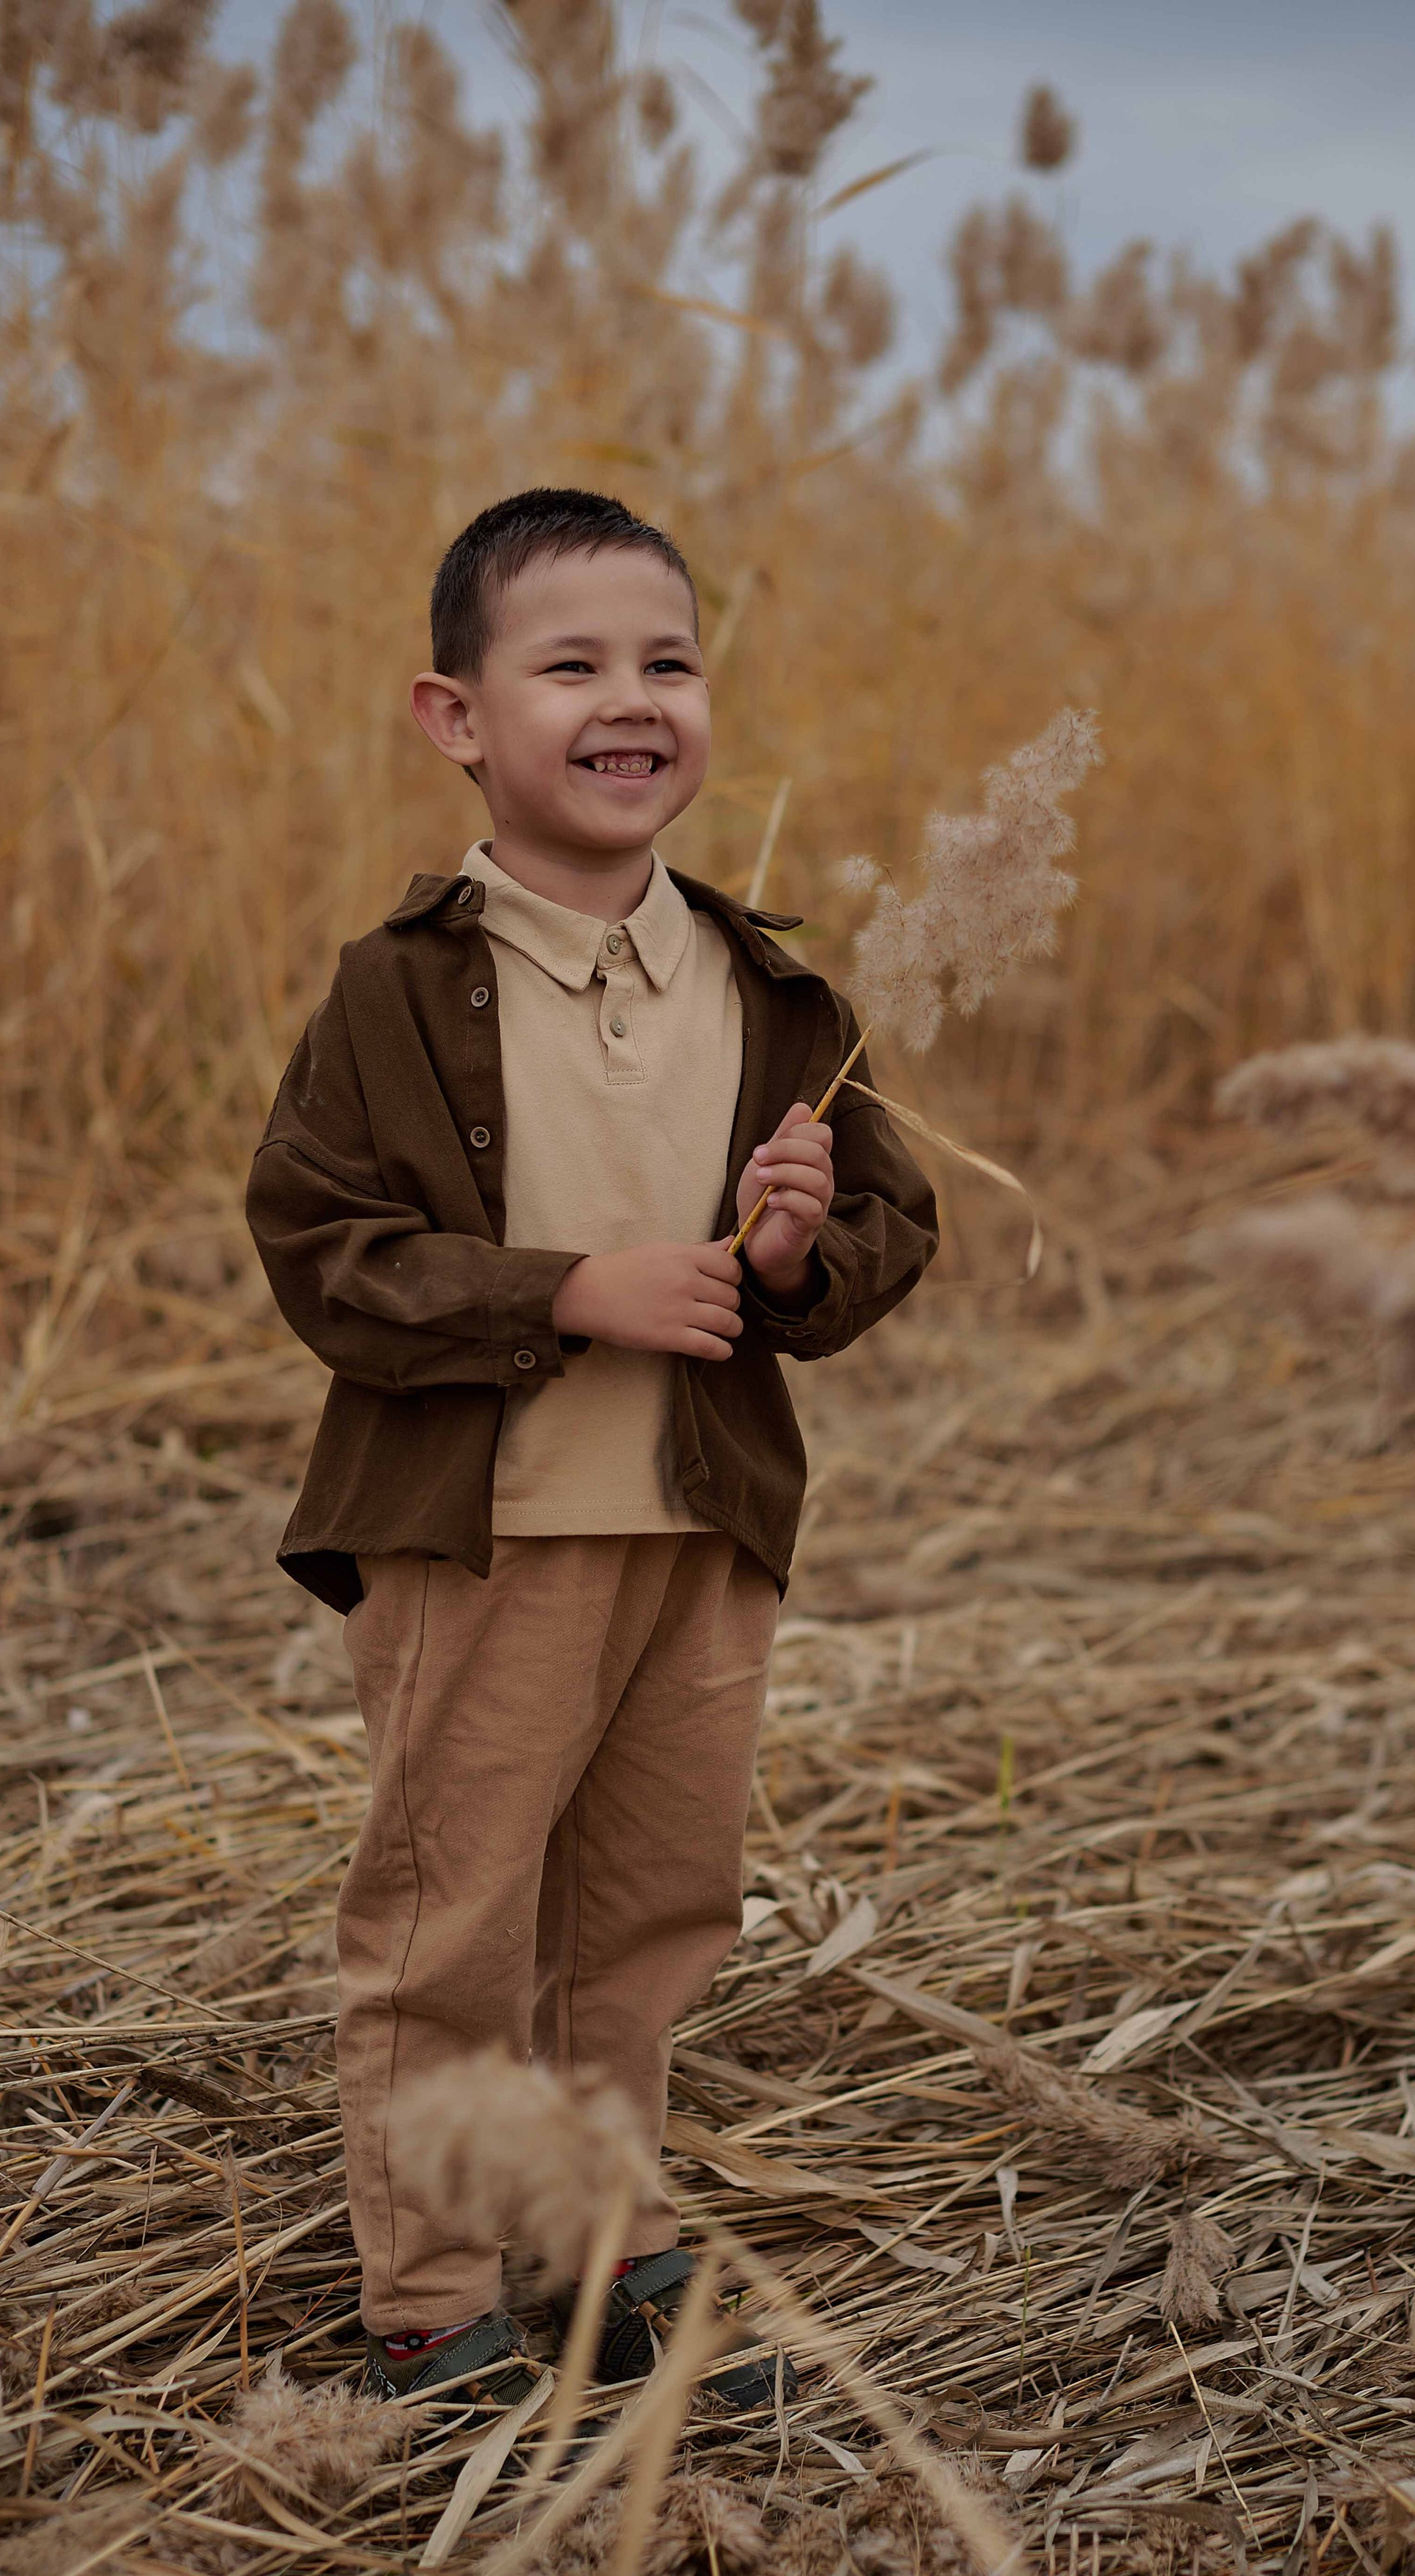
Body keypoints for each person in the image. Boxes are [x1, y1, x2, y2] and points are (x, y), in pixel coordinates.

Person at [248, 488, 937, 2412]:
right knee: (452, 1919)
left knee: (647, 1912)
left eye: (670, 663)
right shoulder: (402, 987)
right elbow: (323, 1253)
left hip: (700, 1525)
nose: (631, 700)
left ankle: (609, 2242)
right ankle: (432, 2294)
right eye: (572, 666)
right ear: (454, 717)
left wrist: (798, 1253)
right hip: (491, 1530)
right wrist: (567, 1293)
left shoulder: (772, 987)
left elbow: (889, 1233)